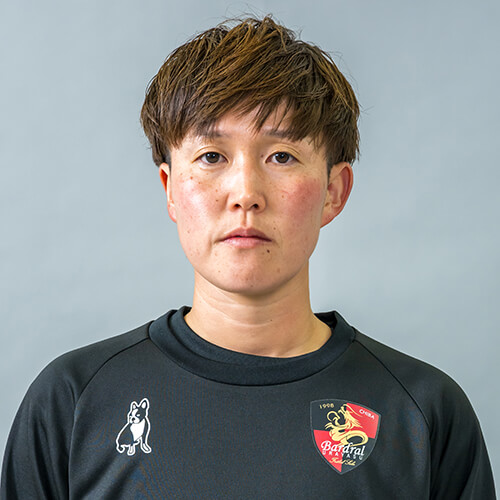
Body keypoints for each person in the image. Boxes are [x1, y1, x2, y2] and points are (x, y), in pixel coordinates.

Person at [1, 15, 496, 500]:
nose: (245, 194)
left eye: (282, 156)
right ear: (170, 188)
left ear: (334, 191)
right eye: (211, 157)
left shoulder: (423, 413)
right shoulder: (73, 400)